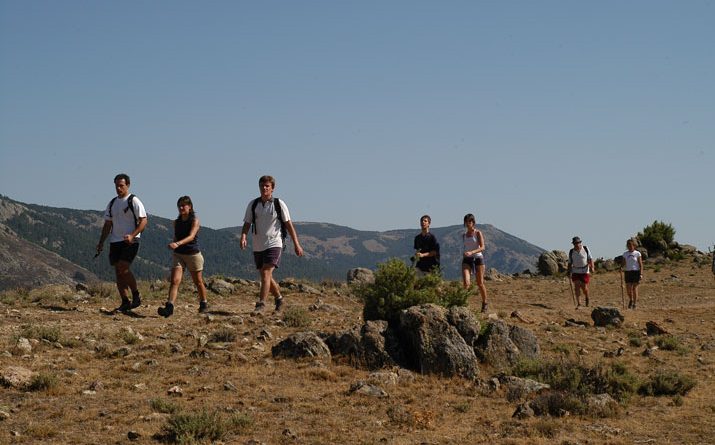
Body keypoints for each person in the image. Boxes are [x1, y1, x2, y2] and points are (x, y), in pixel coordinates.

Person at [240, 175, 304, 313]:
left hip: (275, 242)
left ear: (272, 188)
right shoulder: (253, 204)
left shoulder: (279, 204)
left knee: (266, 272)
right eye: (262, 186)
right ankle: (279, 299)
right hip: (258, 244)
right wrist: (243, 236)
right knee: (266, 275)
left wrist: (296, 244)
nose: (264, 188)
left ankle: (261, 304)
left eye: (267, 186)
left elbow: (288, 225)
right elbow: (247, 223)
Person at [96, 173, 148, 312]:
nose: (119, 188)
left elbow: (143, 220)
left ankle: (136, 294)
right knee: (118, 272)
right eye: (117, 186)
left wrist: (133, 235)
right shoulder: (112, 203)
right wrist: (101, 242)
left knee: (123, 267)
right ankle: (125, 301)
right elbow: (107, 224)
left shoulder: (134, 200)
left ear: (128, 185)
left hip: (131, 240)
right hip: (115, 241)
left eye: (121, 185)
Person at [157, 196, 209, 317]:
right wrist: (174, 244)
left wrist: (177, 244)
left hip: (193, 254)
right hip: (179, 254)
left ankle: (204, 303)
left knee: (198, 281)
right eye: (179, 206)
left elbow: (191, 236)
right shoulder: (176, 222)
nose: (181, 208)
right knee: (175, 281)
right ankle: (169, 307)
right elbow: (176, 237)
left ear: (189, 206)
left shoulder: (195, 221)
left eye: (184, 205)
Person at [461, 213, 489, 312]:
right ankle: (463, 304)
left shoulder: (478, 233)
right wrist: (466, 253)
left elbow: (482, 247)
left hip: (478, 259)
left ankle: (485, 302)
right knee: (466, 283)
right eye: (466, 222)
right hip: (467, 259)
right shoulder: (464, 235)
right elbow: (466, 246)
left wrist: (472, 252)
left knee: (480, 283)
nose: (468, 224)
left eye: (470, 221)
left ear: (473, 222)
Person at [567, 236, 594, 308]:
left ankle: (587, 297)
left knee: (584, 287)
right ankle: (579, 303)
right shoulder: (571, 251)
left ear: (580, 242)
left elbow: (590, 258)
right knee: (576, 286)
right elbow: (570, 262)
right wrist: (568, 271)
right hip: (575, 270)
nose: (577, 244)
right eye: (575, 243)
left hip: (585, 270)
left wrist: (592, 267)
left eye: (578, 243)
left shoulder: (585, 249)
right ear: (573, 244)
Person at [622, 238, 644, 309]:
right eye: (628, 245)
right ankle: (631, 300)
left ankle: (634, 303)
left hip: (636, 272)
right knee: (628, 289)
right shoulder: (625, 254)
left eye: (631, 245)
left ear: (634, 245)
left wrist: (641, 274)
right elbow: (623, 263)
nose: (630, 247)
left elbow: (640, 264)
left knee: (634, 288)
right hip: (628, 272)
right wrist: (621, 267)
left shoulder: (637, 253)